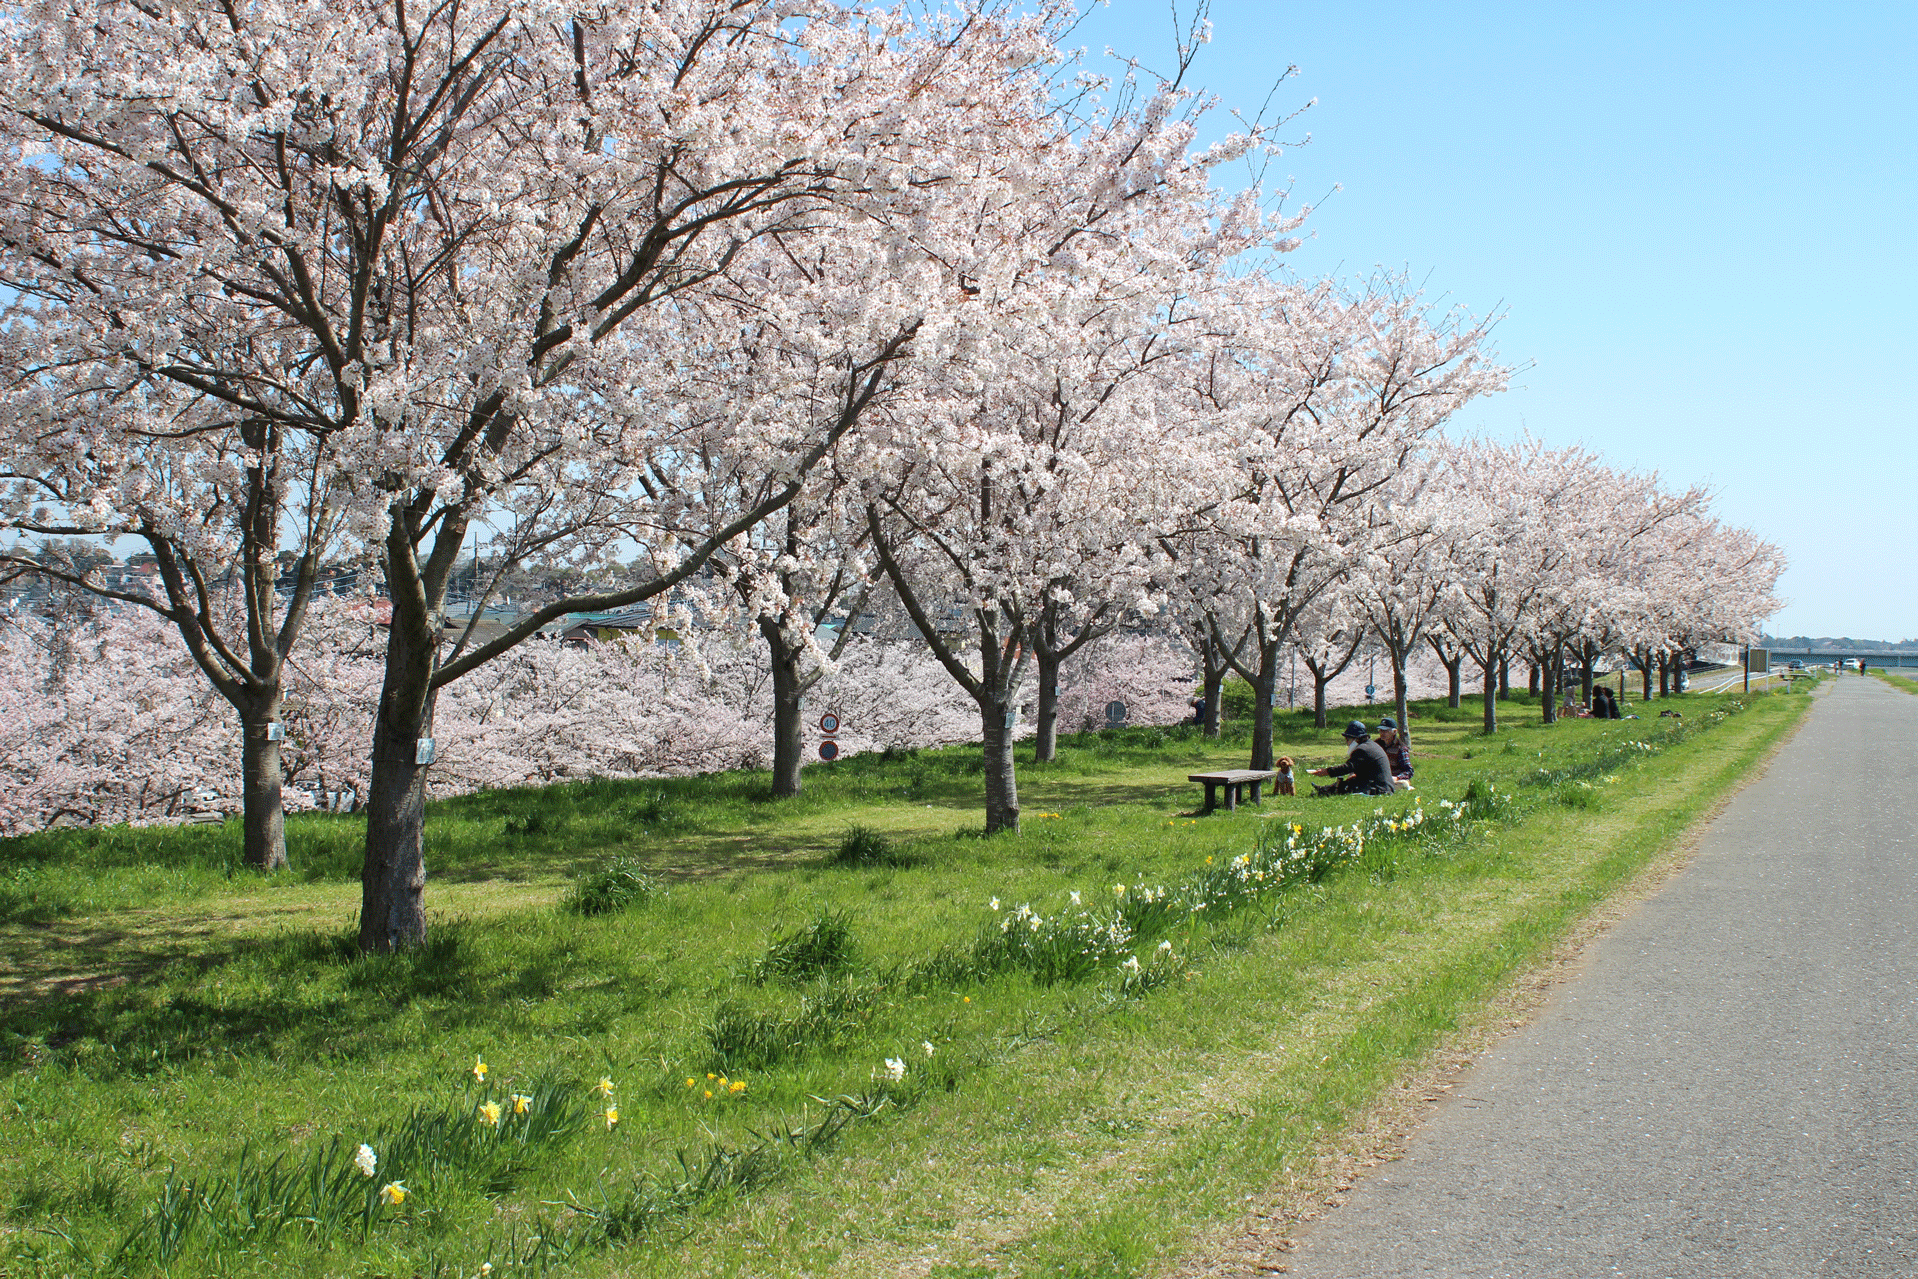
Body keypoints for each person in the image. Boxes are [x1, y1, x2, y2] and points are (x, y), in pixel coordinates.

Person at [1310, 720, 1396, 797]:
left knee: (1347, 788)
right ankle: (1324, 789)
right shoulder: (1369, 746)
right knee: (1350, 782)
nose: (1347, 742)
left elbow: (1347, 767)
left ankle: (1324, 792)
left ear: (1356, 739)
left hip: (1378, 789)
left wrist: (1326, 771)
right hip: (1381, 786)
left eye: (1347, 739)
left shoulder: (1362, 750)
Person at [1376, 716, 1414, 784]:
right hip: (1378, 777)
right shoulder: (1376, 745)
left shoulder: (1401, 748)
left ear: (1394, 732)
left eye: (1386, 731)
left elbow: (1409, 771)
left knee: (1403, 783)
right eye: (1381, 730)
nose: (1382, 733)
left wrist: (1397, 778)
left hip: (1394, 779)